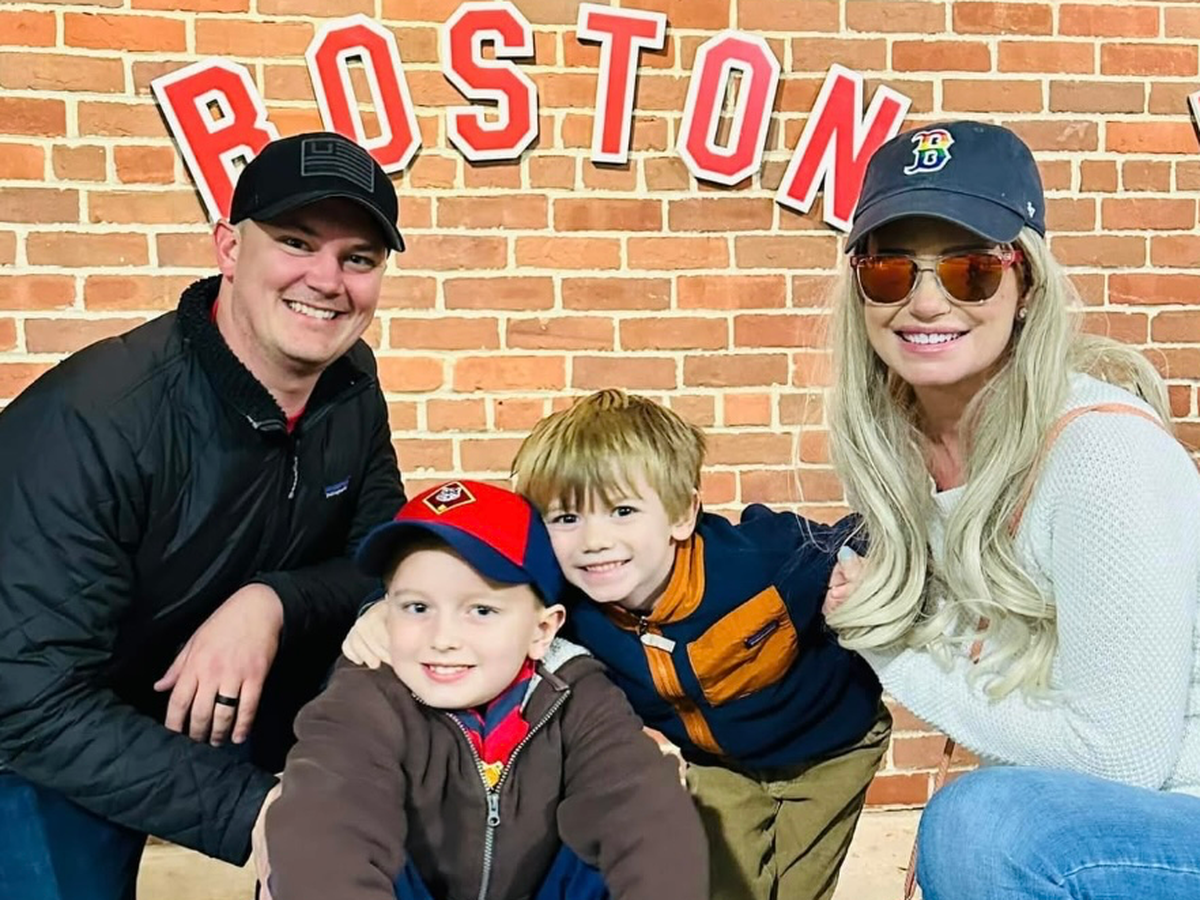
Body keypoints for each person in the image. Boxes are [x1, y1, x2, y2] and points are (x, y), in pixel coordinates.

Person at [0, 131, 407, 900]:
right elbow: (25, 694)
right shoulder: (95, 419)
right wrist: (257, 812)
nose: (327, 281)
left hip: (213, 698)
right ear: (229, 247)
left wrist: (271, 602)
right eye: (296, 242)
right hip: (36, 732)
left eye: (358, 258)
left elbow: (382, 559)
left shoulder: (350, 383)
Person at [821, 120, 1200, 899]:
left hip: (1174, 813)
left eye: (971, 270)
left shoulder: (1104, 457)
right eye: (890, 270)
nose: (927, 303)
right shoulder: (903, 456)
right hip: (1094, 833)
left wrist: (892, 652)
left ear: (1026, 286)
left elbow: (1119, 760)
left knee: (984, 827)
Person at [347, 390, 889, 900]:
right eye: (567, 518)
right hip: (724, 764)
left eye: (622, 511)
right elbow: (466, 577)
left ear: (681, 514)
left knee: (796, 889)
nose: (594, 541)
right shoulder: (565, 602)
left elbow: (866, 535)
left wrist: (863, 568)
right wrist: (379, 606)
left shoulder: (760, 560)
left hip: (832, 747)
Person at [260, 479, 708, 900]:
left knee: (647, 811)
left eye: (481, 610)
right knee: (306, 831)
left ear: (542, 630)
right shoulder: (367, 691)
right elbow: (327, 823)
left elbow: (643, 815)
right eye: (417, 607)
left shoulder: (573, 691)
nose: (443, 638)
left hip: (538, 888)